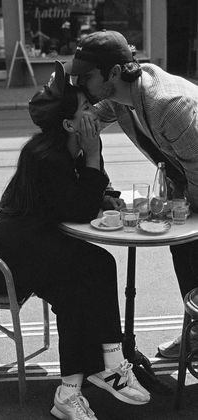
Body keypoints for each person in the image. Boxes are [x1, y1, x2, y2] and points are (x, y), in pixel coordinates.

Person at [0, 61, 150, 419]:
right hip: (7, 257)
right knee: (97, 265)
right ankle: (109, 364)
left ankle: (72, 390)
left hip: (38, 245)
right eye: (86, 108)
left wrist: (105, 192)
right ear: (69, 123)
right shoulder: (43, 155)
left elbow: (85, 193)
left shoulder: (73, 148)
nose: (95, 113)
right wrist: (94, 156)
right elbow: (79, 209)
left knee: (78, 289)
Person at [64, 29, 198, 360]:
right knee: (184, 253)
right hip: (187, 183)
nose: (80, 84)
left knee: (190, 248)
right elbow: (85, 123)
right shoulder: (120, 98)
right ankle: (197, 332)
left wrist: (180, 213)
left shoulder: (168, 104)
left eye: (86, 77)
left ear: (113, 72)